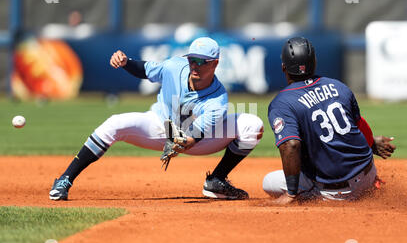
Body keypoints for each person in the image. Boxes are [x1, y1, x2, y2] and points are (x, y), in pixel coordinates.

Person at [50, 37, 264, 201]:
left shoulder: (218, 100)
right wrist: (125, 62)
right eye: (192, 60)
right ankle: (65, 180)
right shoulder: (174, 67)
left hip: (196, 140)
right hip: (160, 124)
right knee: (115, 123)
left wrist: (180, 142)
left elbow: (190, 141)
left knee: (252, 125)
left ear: (215, 64)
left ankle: (216, 180)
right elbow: (145, 69)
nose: (195, 66)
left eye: (202, 62)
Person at [263, 37, 396, 205]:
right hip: (369, 176)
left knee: (268, 182)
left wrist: (291, 193)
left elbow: (291, 145)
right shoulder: (338, 86)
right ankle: (371, 184)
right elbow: (357, 124)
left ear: (284, 67)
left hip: (336, 191)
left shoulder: (282, 102)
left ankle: (316, 196)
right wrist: (371, 143)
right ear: (315, 62)